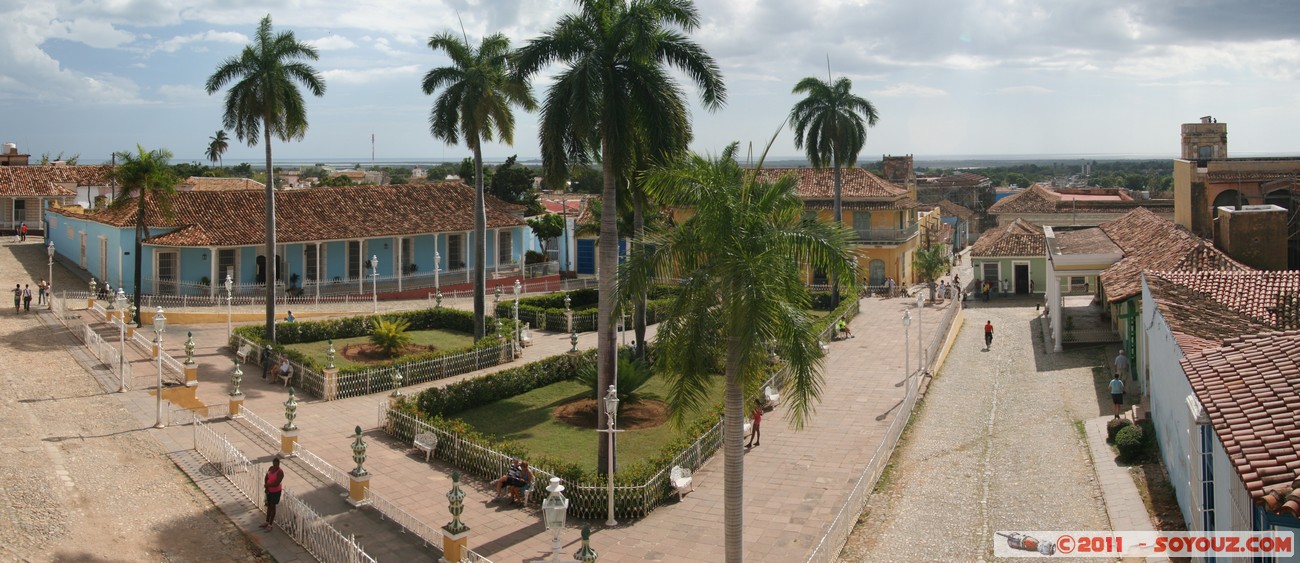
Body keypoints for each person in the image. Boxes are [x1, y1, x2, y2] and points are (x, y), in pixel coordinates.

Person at [261, 456, 284, 530]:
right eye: (274, 464)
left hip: (276, 492)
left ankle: (270, 524)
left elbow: (277, 483)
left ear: (279, 464)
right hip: (269, 491)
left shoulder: (280, 472)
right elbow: (266, 477)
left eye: (276, 465)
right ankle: (267, 521)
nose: (275, 466)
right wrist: (266, 487)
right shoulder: (271, 468)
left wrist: (268, 485)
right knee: (269, 506)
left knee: (272, 507)